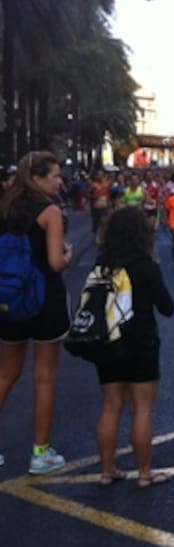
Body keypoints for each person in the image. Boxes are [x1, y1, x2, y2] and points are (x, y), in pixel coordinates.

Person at [91, 206, 174, 487]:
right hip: (141, 342)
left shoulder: (101, 265)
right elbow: (167, 307)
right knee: (142, 409)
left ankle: (107, 470)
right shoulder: (145, 266)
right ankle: (144, 473)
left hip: (107, 341)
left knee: (110, 406)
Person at [0, 152, 72, 474]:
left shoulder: (5, 207)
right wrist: (68, 255)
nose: (59, 181)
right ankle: (41, 453)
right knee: (44, 377)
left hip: (9, 297)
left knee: (5, 373)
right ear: (38, 178)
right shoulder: (50, 211)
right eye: (54, 175)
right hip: (45, 301)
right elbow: (55, 262)